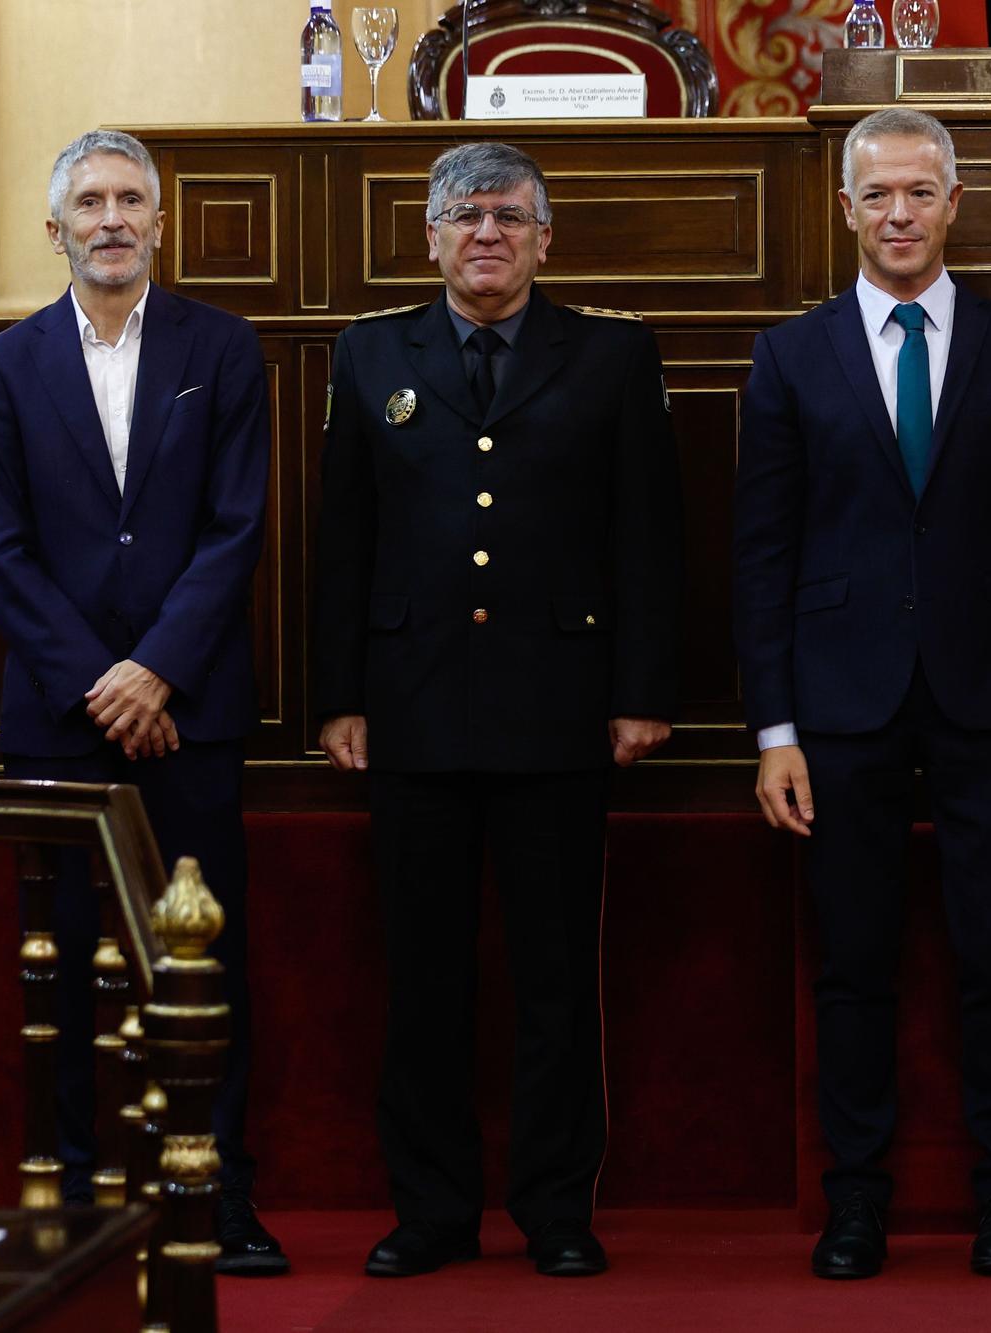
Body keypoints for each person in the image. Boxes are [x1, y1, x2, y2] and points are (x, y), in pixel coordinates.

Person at [733, 107, 991, 1280]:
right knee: (854, 964)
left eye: (919, 193)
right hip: (838, 711)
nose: (898, 213)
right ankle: (856, 1205)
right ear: (845, 209)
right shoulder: (790, 354)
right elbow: (764, 554)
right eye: (876, 194)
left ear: (954, 205)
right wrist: (774, 728)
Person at [311, 142, 680, 1280]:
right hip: (410, 710)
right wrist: (337, 698)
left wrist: (640, 694)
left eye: (509, 217)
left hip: (559, 710)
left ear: (543, 237)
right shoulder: (372, 353)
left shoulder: (611, 355)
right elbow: (343, 544)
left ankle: (555, 1208)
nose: (485, 233)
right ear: (427, 234)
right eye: (463, 215)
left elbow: (647, 539)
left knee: (556, 978)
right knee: (422, 978)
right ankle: (430, 1210)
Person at [0, 129, 284, 1274]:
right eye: (89, 201)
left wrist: (157, 669)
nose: (111, 217)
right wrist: (99, 681)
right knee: (67, 965)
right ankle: (84, 1202)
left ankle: (222, 1195)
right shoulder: (5, 366)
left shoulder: (225, 347)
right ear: (56, 229)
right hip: (61, 718)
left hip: (190, 709)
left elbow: (236, 527)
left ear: (160, 222)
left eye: (131, 200)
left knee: (200, 961)